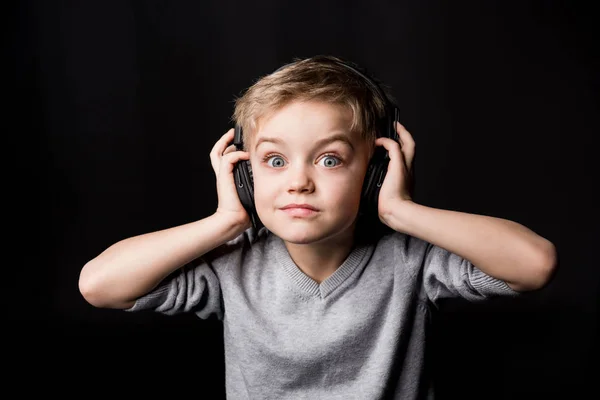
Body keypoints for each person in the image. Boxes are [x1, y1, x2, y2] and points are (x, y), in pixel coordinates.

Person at [79, 55, 557, 399]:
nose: (299, 182)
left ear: (374, 172)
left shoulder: (411, 259)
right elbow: (100, 286)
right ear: (244, 172)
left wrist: (400, 209)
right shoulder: (232, 263)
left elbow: (533, 265)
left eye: (330, 159)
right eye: (274, 160)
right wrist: (224, 221)